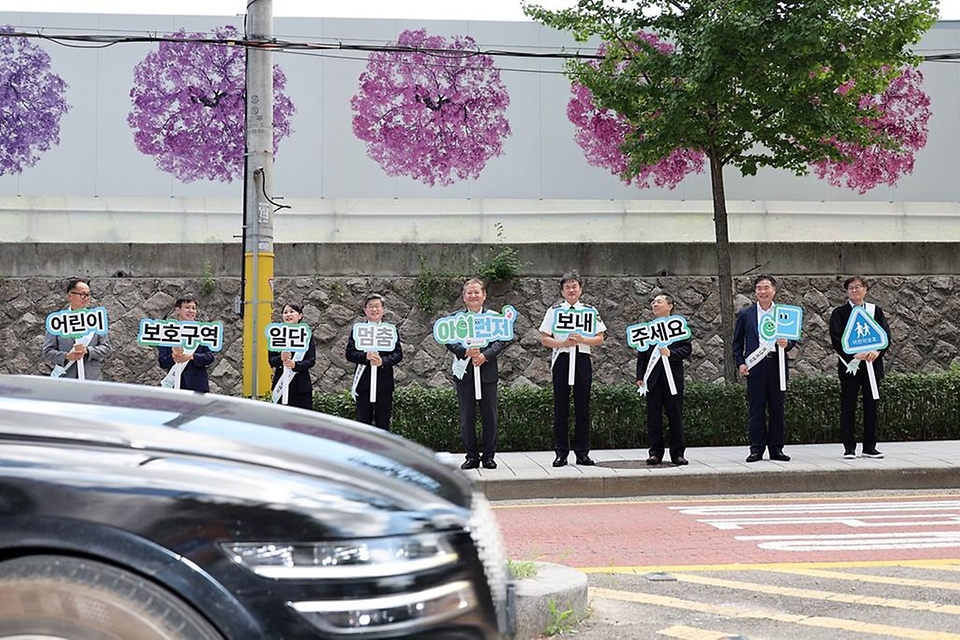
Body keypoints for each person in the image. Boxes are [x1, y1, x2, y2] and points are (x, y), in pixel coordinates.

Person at [539, 272, 606, 467]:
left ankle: (582, 452)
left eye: (574, 286)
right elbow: (544, 338)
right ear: (562, 291)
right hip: (562, 358)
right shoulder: (554, 310)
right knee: (561, 408)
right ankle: (561, 453)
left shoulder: (590, 311)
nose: (571, 290)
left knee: (582, 407)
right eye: (567, 287)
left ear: (580, 289)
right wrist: (562, 343)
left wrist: (583, 339)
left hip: (583, 358)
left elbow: (600, 338)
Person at [446, 278, 511, 470]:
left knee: (489, 415)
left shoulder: (494, 318)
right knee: (467, 416)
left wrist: (485, 355)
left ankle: (489, 456)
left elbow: (501, 340)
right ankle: (471, 456)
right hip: (465, 372)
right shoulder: (456, 319)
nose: (473, 296)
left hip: (487, 373)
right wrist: (464, 351)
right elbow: (448, 340)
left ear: (484, 295)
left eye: (477, 292)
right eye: (469, 293)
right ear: (464, 297)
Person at [732, 274, 796, 463]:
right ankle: (756, 449)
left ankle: (776, 448)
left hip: (777, 365)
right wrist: (741, 362)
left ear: (774, 290)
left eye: (766, 287)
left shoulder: (784, 313)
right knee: (756, 409)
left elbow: (793, 338)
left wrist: (788, 343)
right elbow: (737, 343)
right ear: (755, 292)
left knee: (777, 409)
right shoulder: (746, 314)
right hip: (755, 366)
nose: (763, 291)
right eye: (759, 288)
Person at [829, 276, 891, 459]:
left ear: (865, 289)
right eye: (851, 288)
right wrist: (853, 355)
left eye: (858, 287)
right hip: (851, 366)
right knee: (848, 405)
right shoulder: (839, 313)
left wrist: (877, 351)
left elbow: (885, 335)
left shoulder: (875, 311)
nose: (854, 290)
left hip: (872, 364)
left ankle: (870, 446)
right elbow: (836, 338)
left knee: (871, 405)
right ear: (847, 292)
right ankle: (849, 447)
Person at [636, 293, 692, 466]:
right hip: (652, 379)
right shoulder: (647, 328)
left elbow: (687, 349)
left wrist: (671, 354)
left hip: (672, 379)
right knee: (653, 418)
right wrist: (640, 376)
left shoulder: (679, 326)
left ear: (670, 305)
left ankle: (678, 453)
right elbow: (642, 354)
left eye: (659, 302)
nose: (655, 304)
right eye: (653, 302)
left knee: (675, 416)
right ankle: (655, 452)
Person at [345, 294, 403, 430]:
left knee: (383, 423)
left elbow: (398, 354)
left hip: (384, 384)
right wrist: (366, 357)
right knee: (363, 423)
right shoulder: (358, 331)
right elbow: (350, 354)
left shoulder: (389, 331)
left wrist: (382, 361)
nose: (374, 310)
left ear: (383, 309)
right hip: (363, 383)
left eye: (377, 306)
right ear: (365, 310)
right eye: (370, 306)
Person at [42, 278, 113, 380]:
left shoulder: (96, 320)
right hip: (67, 377)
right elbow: (48, 351)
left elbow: (106, 348)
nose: (86, 298)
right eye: (82, 294)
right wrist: (66, 356)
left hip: (92, 377)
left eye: (88, 295)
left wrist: (88, 350)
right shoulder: (58, 321)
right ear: (70, 295)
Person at [158, 294, 214, 392]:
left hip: (198, 385)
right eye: (187, 308)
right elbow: (163, 362)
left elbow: (209, 357)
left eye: (194, 308)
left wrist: (191, 356)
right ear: (177, 310)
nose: (191, 311)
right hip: (174, 384)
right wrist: (174, 356)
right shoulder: (167, 332)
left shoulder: (202, 331)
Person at [268, 302, 317, 410]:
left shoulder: (306, 335)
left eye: (292, 311)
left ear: (300, 315)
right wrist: (281, 359)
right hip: (281, 384)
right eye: (285, 312)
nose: (288, 315)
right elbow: (271, 360)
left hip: (301, 386)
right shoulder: (276, 335)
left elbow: (311, 360)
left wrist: (296, 365)